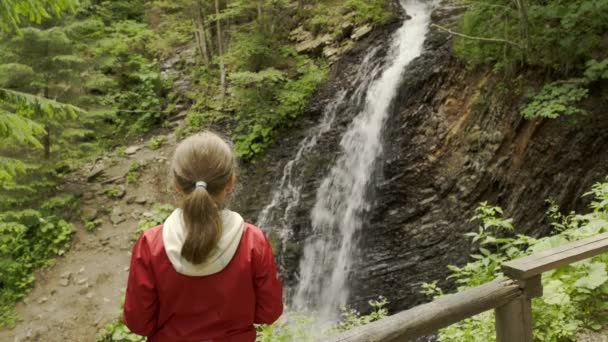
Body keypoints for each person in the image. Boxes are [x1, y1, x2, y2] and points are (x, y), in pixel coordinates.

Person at [123, 132, 283, 341]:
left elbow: (138, 322)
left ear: (177, 185)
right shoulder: (253, 241)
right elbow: (268, 312)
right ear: (230, 183)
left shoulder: (150, 244)